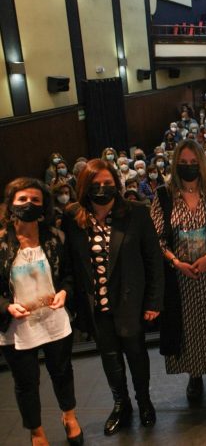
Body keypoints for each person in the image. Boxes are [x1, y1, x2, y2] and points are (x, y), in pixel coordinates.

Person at [63, 159, 164, 435]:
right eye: (96, 185)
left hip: (130, 302)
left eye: (108, 183)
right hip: (97, 306)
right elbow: (71, 264)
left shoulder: (136, 213)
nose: (102, 189)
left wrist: (154, 301)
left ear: (117, 185)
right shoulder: (73, 218)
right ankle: (122, 405)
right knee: (110, 359)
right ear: (85, 187)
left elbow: (153, 260)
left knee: (136, 355)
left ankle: (144, 402)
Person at [150, 140, 206, 402]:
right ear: (176, 164)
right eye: (183, 163)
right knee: (186, 328)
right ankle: (194, 376)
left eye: (193, 163)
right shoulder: (164, 195)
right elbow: (157, 239)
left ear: (202, 163)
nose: (188, 167)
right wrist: (176, 262)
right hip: (179, 276)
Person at [0, 178, 82, 446]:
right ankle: (37, 432)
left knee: (62, 371)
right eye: (22, 199)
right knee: (26, 382)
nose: (29, 204)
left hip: (53, 317)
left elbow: (69, 275)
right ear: (11, 203)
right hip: (16, 326)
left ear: (43, 205)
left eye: (35, 200)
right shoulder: (1, 242)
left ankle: (69, 417)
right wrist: (6, 307)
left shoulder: (55, 237)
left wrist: (64, 292)